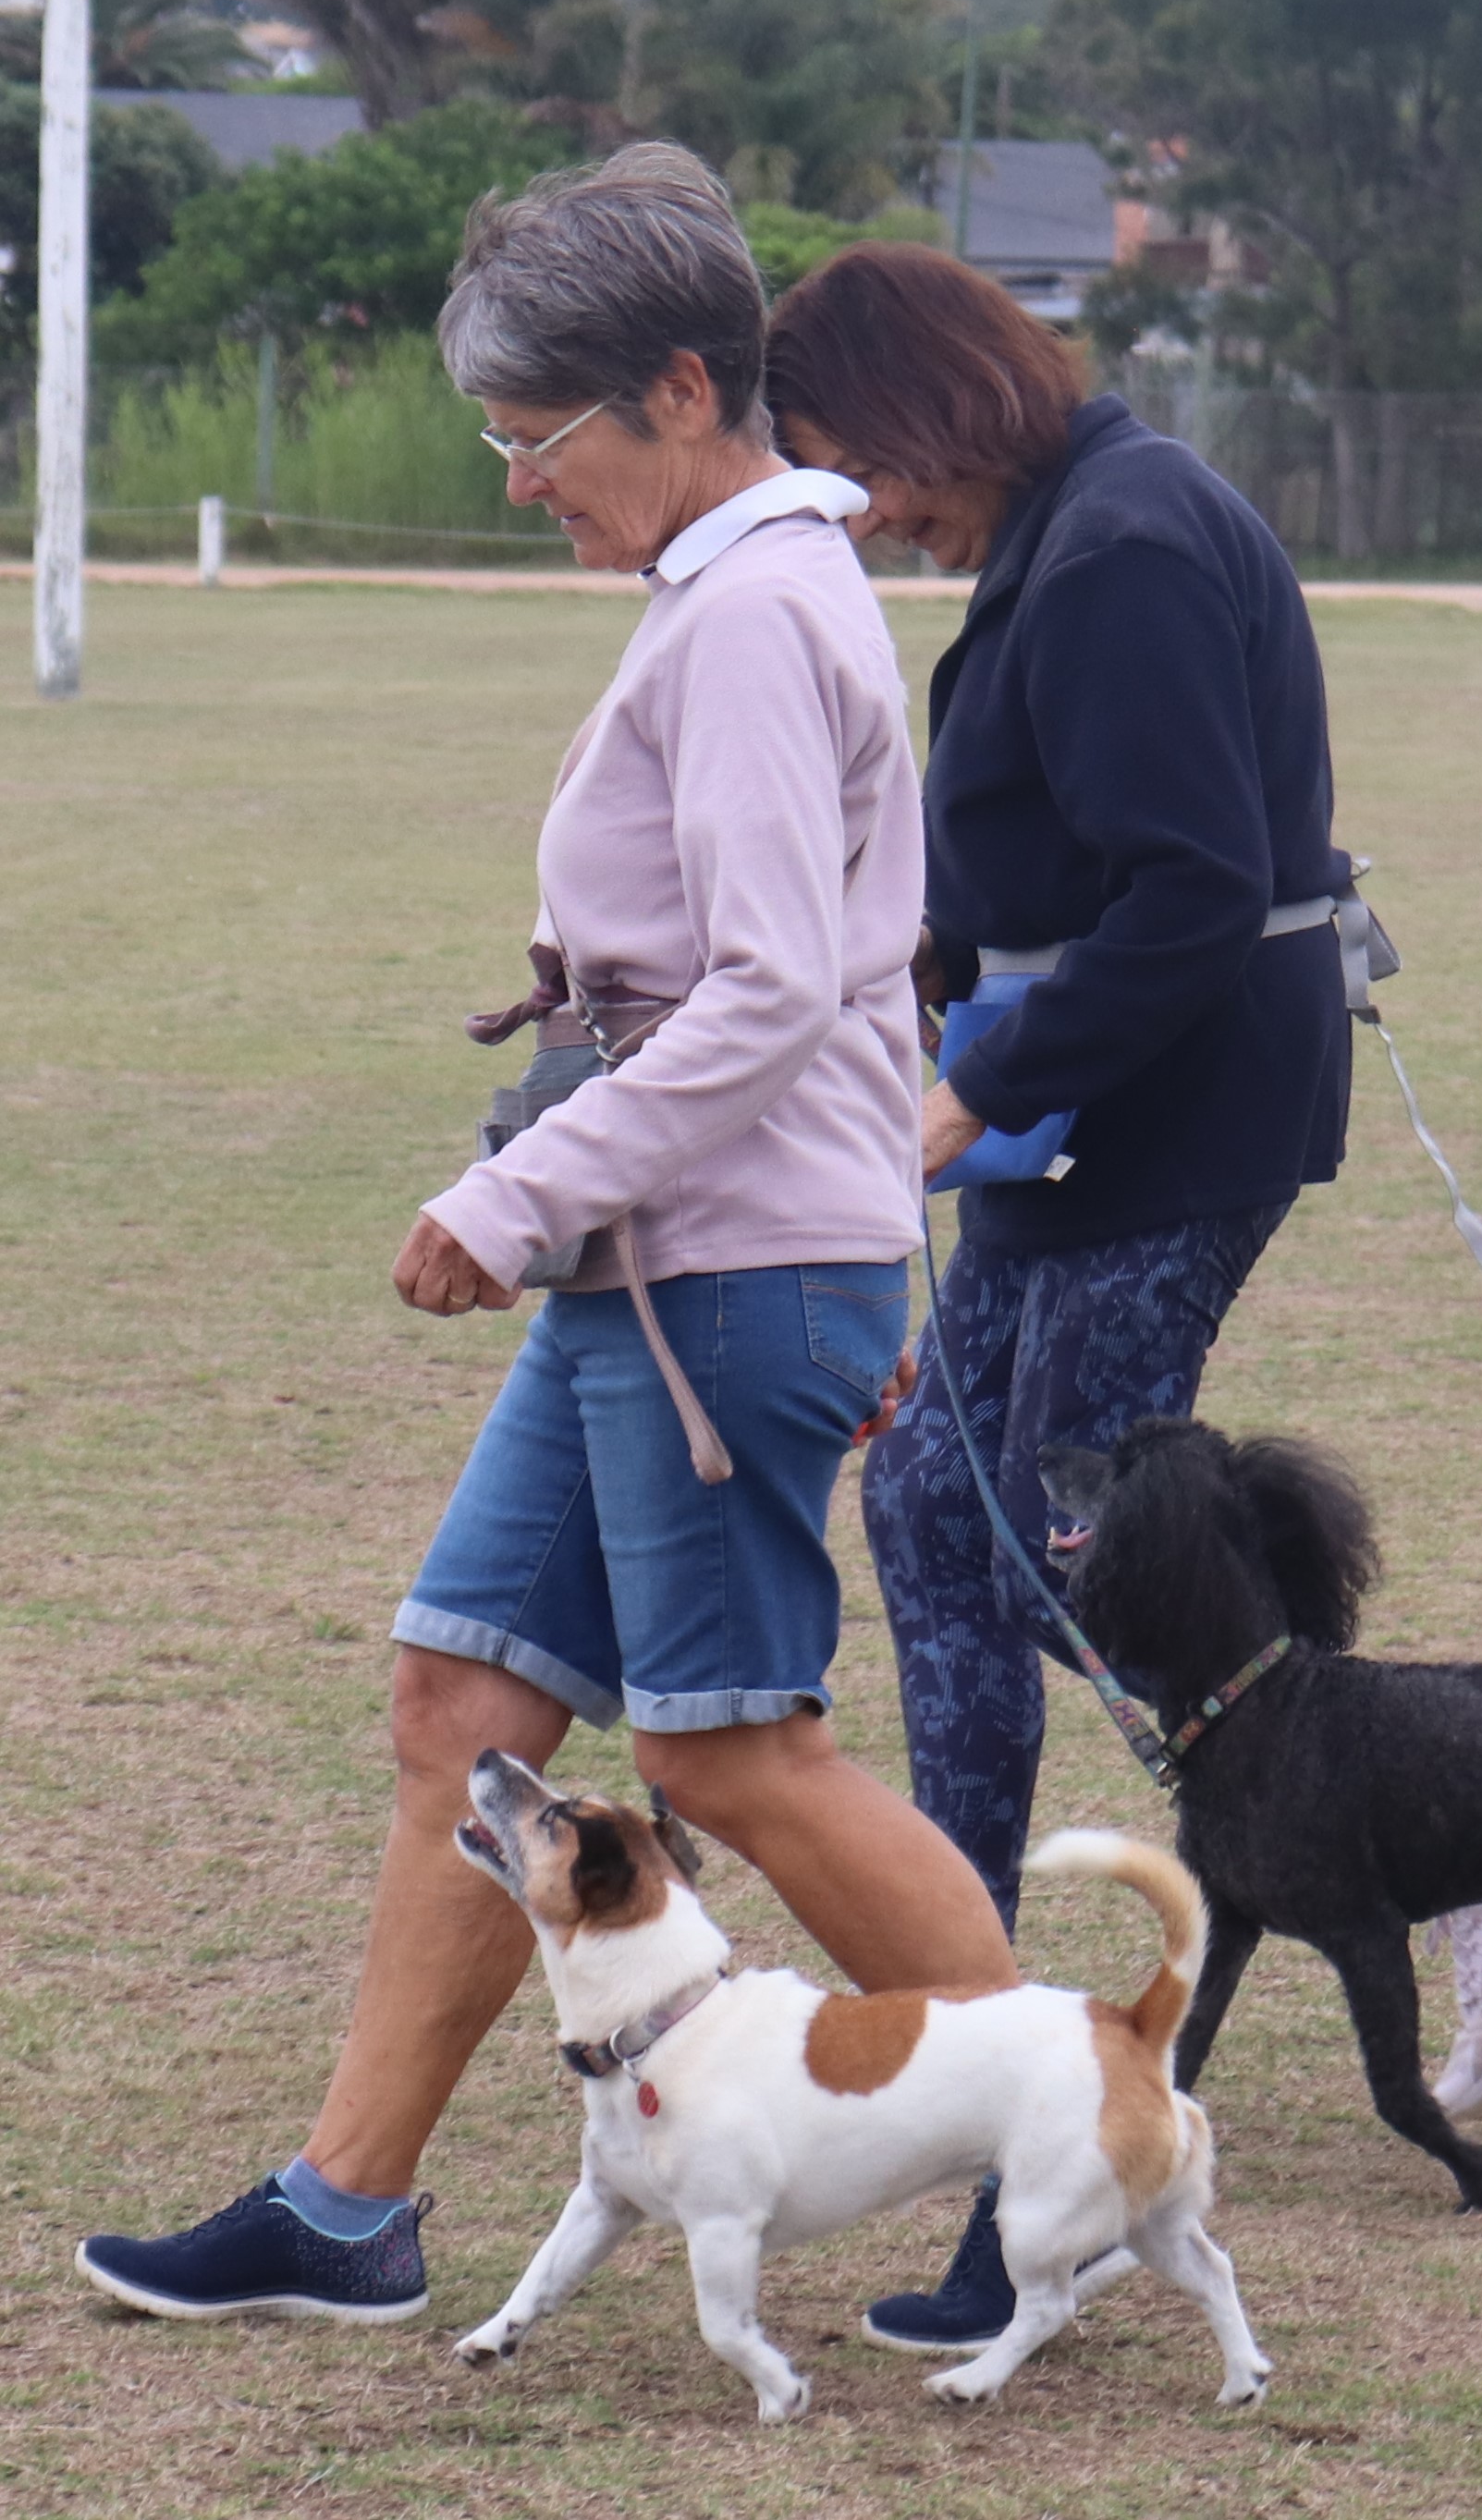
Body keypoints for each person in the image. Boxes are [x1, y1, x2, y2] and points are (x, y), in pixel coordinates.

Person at [75, 149, 1015, 2328]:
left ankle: (1054, 2149)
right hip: (661, 1263)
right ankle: (345, 2209)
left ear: (681, 390)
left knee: (728, 1752)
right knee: (462, 1704)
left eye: (536, 435)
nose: (516, 482)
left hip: (715, 1272)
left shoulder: (759, 613)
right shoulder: (737, 590)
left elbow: (771, 989)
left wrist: (515, 1191)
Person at [766, 247, 1482, 2354]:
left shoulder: (1125, 542)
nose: (858, 511)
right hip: (1080, 1112)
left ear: (929, 404)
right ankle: (976, 2019)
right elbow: (1036, 861)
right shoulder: (1069, 526)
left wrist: (967, 1096)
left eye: (855, 463)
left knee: (1071, 1560)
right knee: (939, 1515)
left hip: (1162, 1118)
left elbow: (1189, 888)